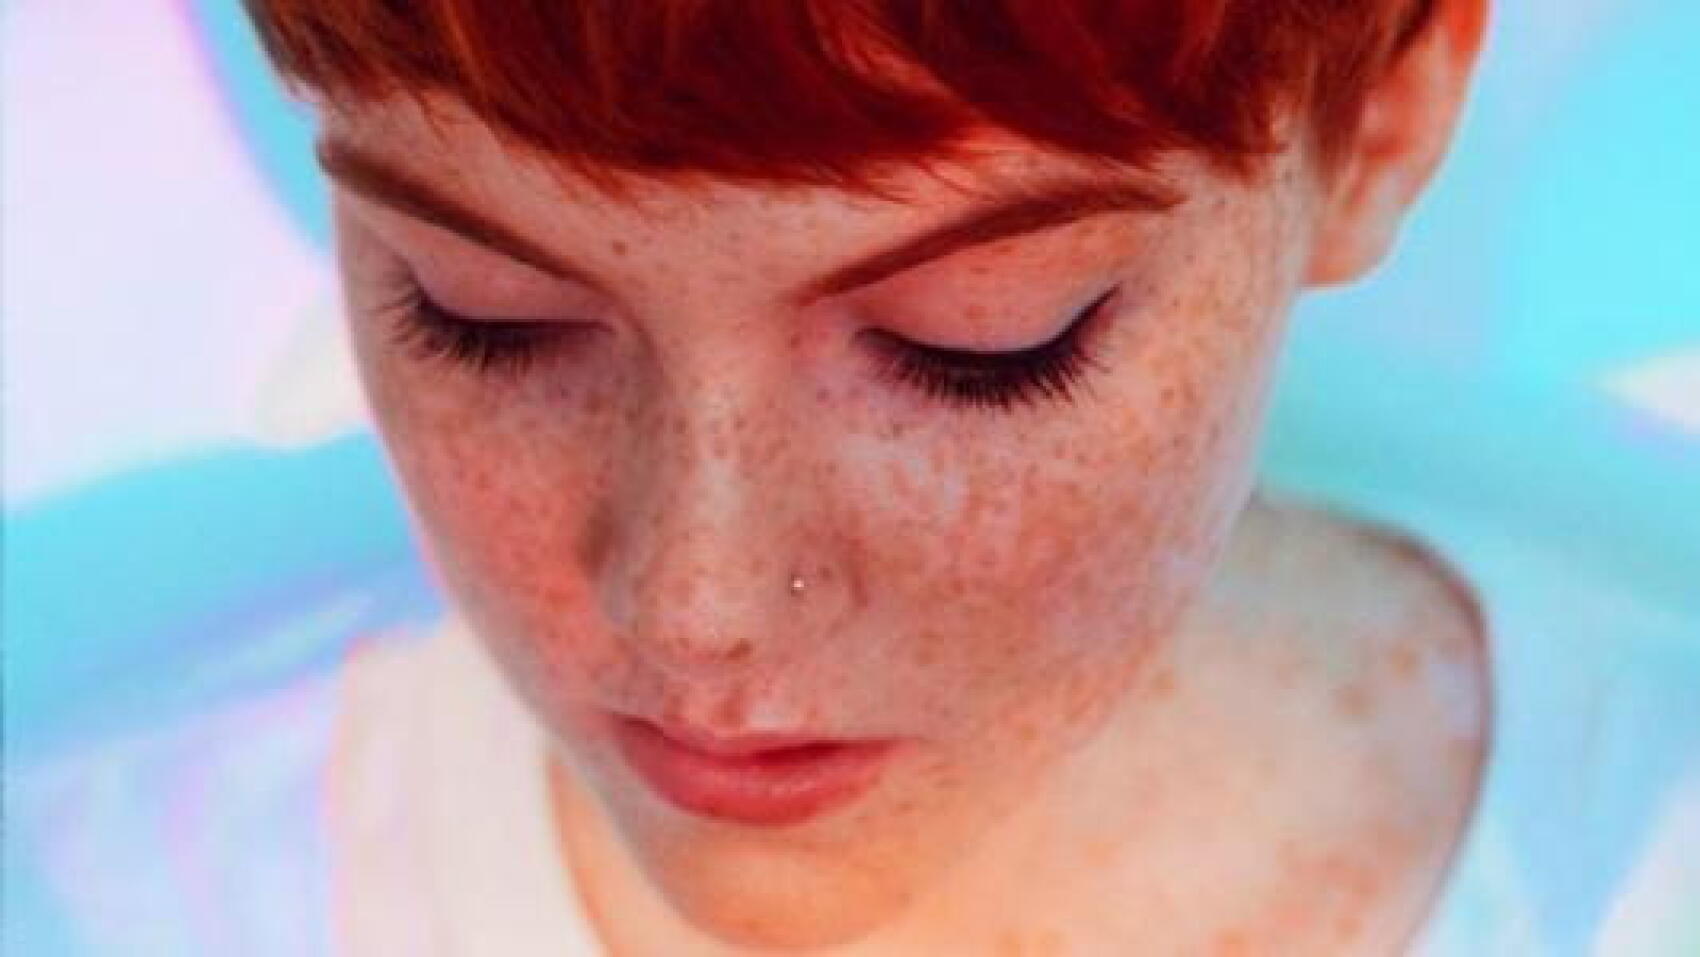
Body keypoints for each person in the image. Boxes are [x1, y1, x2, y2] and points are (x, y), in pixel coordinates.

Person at [9, 1, 1698, 954]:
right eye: (482, 313)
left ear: (1387, 116)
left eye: (978, 345)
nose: (698, 607)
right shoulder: (107, 885)